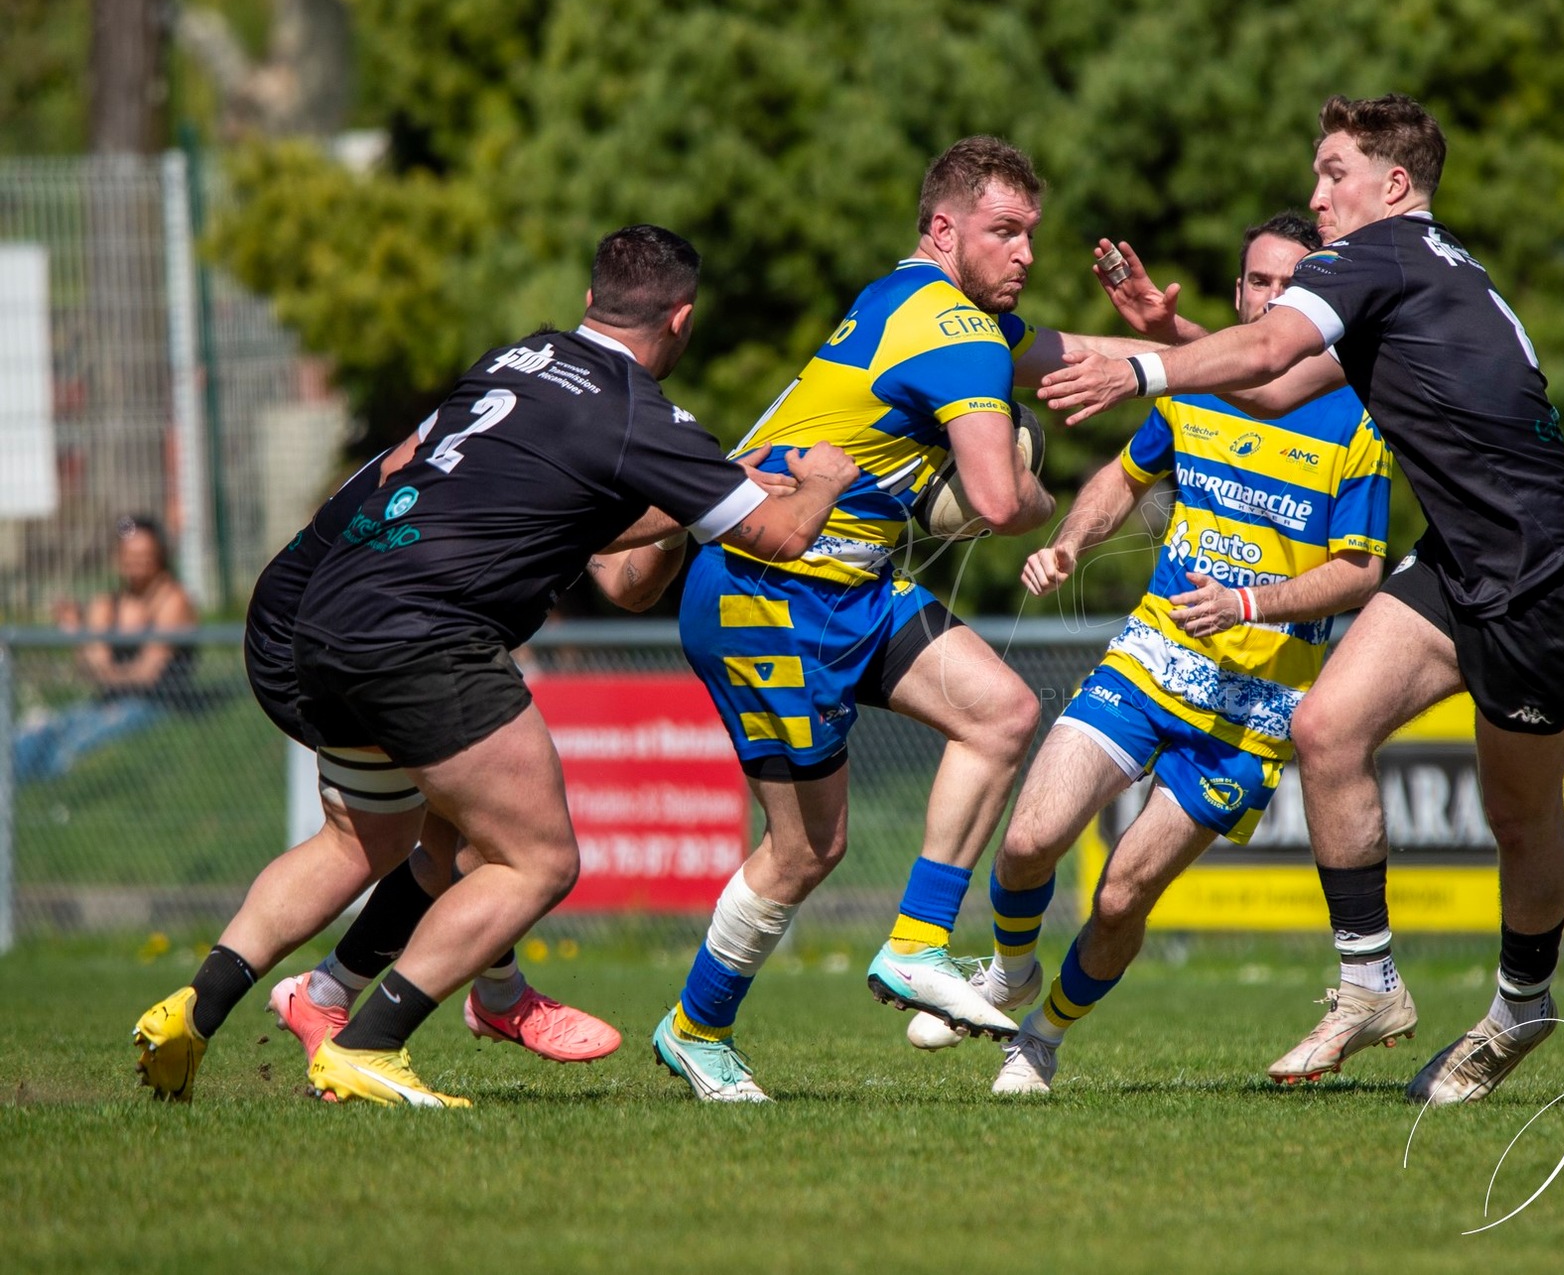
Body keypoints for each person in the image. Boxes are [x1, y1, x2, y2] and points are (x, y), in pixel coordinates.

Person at [132, 224, 857, 1107]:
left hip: (327, 607)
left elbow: (532, 509)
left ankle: (195, 1009)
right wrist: (821, 477)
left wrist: (692, 501)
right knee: (537, 859)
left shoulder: (520, 358)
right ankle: (372, 1040)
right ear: (682, 319)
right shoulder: (640, 412)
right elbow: (780, 535)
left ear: (591, 301)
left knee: (371, 838)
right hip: (424, 634)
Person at [1040, 95, 1564, 1105]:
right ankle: (1368, 984)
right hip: (1460, 562)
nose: (1316, 197)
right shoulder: (1416, 271)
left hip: (1547, 583)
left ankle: (1519, 1003)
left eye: (1332, 173)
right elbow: (1280, 388)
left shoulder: (1379, 254)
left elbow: (1270, 353)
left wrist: (1139, 367)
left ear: (1392, 186)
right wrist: (1173, 336)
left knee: (1517, 813)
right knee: (1324, 729)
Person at [634, 136, 1157, 1103]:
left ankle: (916, 943)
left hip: (851, 585)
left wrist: (1200, 356)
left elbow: (1083, 353)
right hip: (765, 593)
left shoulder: (908, 299)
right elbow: (1001, 505)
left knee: (999, 710)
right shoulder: (953, 329)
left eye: (1031, 234)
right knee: (808, 848)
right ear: (943, 226)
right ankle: (696, 1027)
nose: (1026, 253)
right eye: (1005, 231)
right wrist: (1035, 495)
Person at [907, 213, 1394, 1093]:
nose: (1269, 298)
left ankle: (1045, 1036)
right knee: (1025, 842)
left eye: (1291, 286)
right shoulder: (1199, 388)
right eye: (1256, 282)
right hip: (1150, 662)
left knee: (1124, 896)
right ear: (1236, 292)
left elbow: (1360, 572)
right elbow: (1124, 479)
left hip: (1254, 713)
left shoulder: (1355, 420)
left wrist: (1250, 602)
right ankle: (1012, 969)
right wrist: (1070, 543)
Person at [242, 420, 622, 1075]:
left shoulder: (472, 448)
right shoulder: (466, 459)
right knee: (494, 843)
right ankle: (487, 998)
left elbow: (624, 580)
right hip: (364, 653)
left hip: (366, 646)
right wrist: (682, 504)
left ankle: (326, 992)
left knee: (447, 844)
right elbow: (620, 577)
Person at [13, 517, 196, 783]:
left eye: (144, 554)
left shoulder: (173, 601)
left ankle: (44, 789)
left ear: (159, 556)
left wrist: (103, 670)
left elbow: (148, 675)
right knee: (39, 733)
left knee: (70, 748)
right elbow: (91, 665)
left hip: (154, 705)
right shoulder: (106, 605)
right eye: (129, 554)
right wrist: (79, 636)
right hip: (107, 702)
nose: (136, 561)